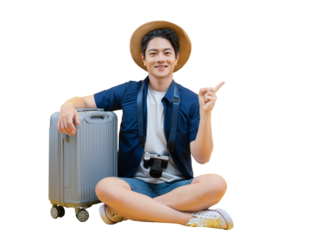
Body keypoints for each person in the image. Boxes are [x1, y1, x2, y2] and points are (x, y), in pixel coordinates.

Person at [57, 20, 235, 230]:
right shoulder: (128, 90)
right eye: (153, 53)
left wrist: (207, 114)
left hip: (178, 186)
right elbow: (84, 101)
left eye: (167, 53)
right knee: (105, 187)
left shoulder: (190, 99)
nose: (161, 59)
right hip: (135, 184)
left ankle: (126, 211)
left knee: (218, 183)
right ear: (144, 58)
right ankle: (189, 219)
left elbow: (202, 159)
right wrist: (66, 106)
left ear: (176, 57)